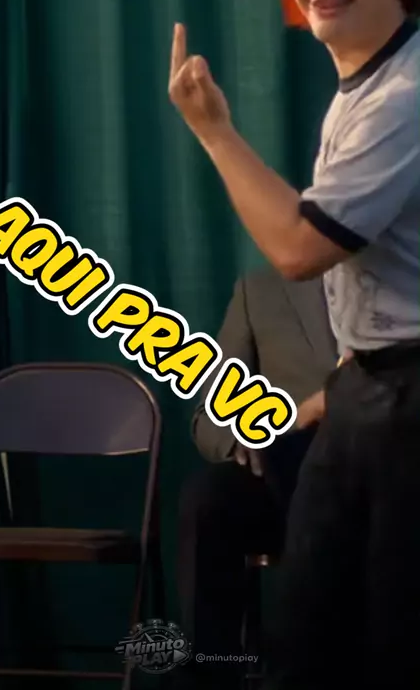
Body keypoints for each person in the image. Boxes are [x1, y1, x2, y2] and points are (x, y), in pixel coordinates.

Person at [168, 0, 420, 687]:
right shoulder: (365, 89)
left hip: (407, 415)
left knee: (382, 645)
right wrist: (328, 394)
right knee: (311, 637)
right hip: (368, 396)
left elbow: (299, 249)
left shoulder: (406, 96)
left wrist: (214, 131)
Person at [176, 267, 337, 690]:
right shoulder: (259, 291)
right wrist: (242, 436)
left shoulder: (403, 280)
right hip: (286, 472)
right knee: (209, 499)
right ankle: (210, 674)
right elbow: (211, 413)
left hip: (387, 469)